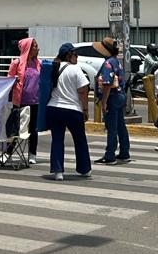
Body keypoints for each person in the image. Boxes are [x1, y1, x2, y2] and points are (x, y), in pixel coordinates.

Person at [46, 43, 92, 181]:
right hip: (72, 110)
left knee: (57, 140)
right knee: (80, 140)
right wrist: (85, 109)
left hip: (53, 108)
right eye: (75, 54)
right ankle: (84, 169)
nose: (77, 57)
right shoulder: (75, 69)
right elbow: (83, 91)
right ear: (69, 55)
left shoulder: (54, 68)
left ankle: (57, 171)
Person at [95, 36, 131, 166]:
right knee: (121, 125)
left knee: (112, 127)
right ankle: (124, 152)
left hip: (112, 97)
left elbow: (107, 83)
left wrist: (104, 102)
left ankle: (110, 155)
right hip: (120, 96)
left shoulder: (108, 63)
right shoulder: (116, 61)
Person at [6, 37, 41, 164]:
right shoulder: (17, 63)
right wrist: (14, 81)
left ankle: (32, 154)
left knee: (33, 129)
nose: (38, 48)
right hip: (20, 101)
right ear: (28, 48)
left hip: (36, 101)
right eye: (35, 46)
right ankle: (8, 153)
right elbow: (8, 81)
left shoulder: (39, 63)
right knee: (16, 129)